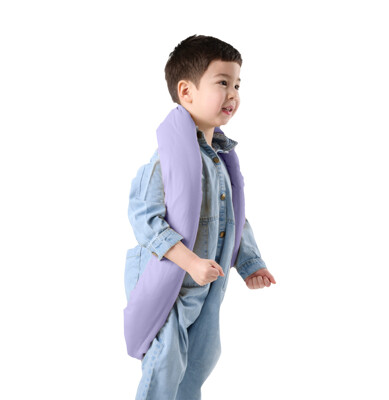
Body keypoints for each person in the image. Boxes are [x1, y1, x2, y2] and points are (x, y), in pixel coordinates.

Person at [125, 34, 277, 400]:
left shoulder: (220, 162)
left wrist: (251, 263)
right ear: (186, 92)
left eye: (237, 84)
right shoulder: (166, 162)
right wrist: (190, 262)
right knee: (165, 362)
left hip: (205, 288)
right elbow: (145, 220)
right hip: (171, 287)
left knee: (200, 362)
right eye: (222, 82)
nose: (233, 94)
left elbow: (234, 218)